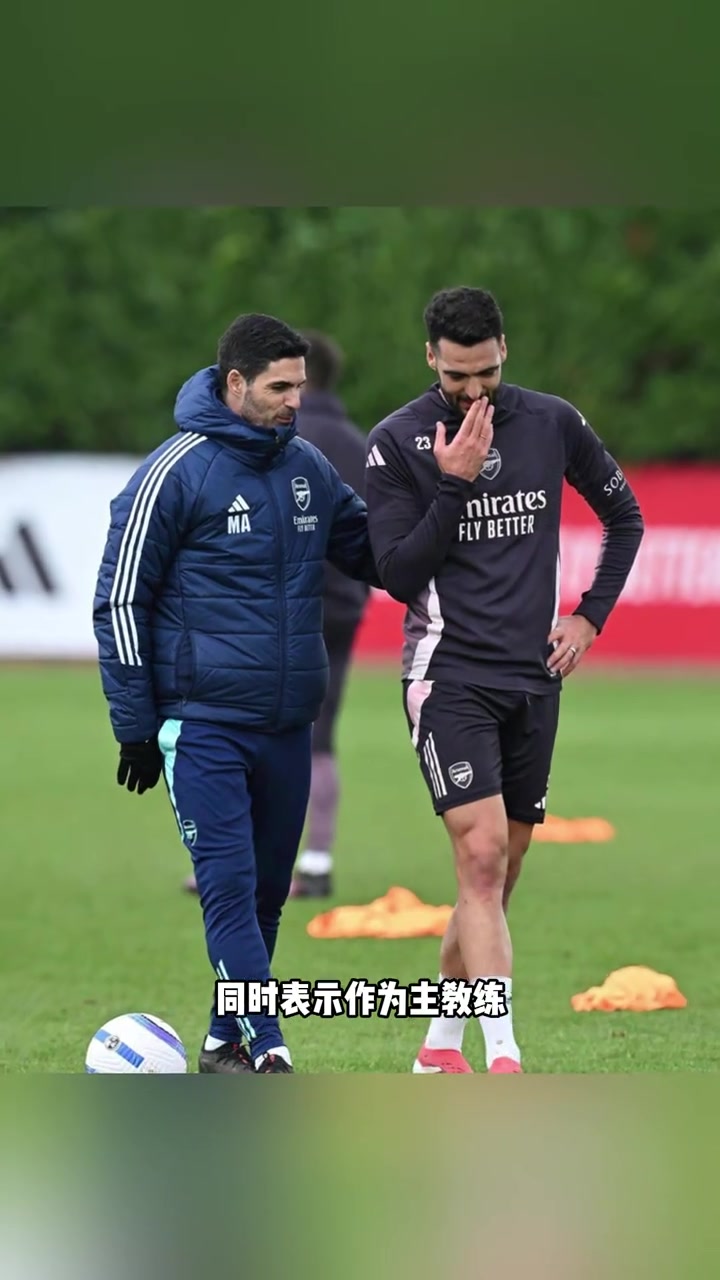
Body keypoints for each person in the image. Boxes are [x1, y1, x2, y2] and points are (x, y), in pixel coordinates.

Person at [363, 286, 644, 1075]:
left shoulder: (552, 422)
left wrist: (588, 617)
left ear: (504, 351)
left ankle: (439, 1045)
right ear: (430, 358)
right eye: (457, 376)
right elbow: (396, 572)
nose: (473, 389)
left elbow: (625, 518)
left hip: (535, 677)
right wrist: (453, 482)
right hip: (447, 674)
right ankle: (504, 1059)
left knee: (497, 874)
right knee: (482, 858)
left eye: (485, 372)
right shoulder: (397, 442)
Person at [93, 313, 378, 1074]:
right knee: (228, 887)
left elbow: (378, 554)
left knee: (265, 898)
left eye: (301, 386)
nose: (295, 401)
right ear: (235, 384)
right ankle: (269, 1045)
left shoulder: (308, 466)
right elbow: (120, 600)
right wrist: (135, 726)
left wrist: (449, 499)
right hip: (203, 724)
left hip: (287, 724)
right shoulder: (173, 472)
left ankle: (223, 1043)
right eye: (280, 388)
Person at [289, 331, 371, 898]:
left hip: (282, 606)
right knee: (321, 736)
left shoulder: (278, 437)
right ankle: (317, 861)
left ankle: (236, 865)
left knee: (251, 734)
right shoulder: (360, 444)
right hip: (342, 605)